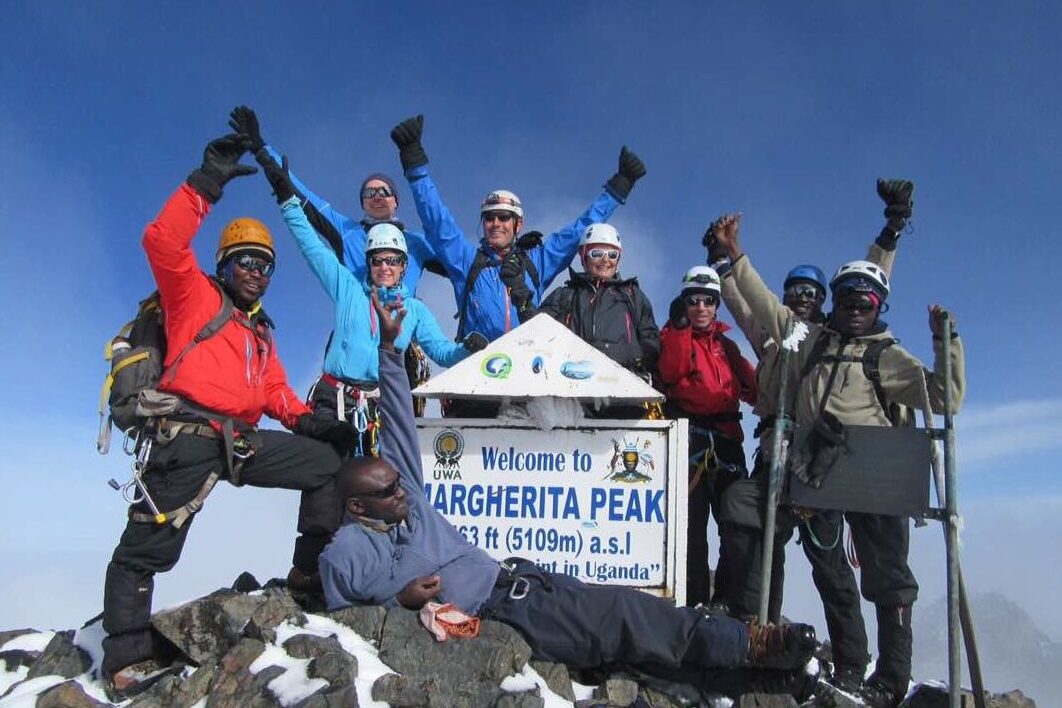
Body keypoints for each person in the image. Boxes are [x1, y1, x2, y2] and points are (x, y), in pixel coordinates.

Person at [317, 291, 819, 698]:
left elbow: (401, 422)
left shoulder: (409, 500)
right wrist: (398, 598)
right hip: (501, 616)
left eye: (398, 482)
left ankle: (761, 681)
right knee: (622, 617)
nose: (401, 492)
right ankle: (750, 644)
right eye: (386, 491)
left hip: (524, 578)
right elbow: (347, 624)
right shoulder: (349, 550)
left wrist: (389, 349)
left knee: (619, 640)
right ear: (357, 507)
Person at [101, 132, 350, 694]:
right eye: (245, 262)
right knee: (145, 549)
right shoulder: (194, 297)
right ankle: (123, 658)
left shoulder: (260, 333)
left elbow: (276, 395)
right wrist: (205, 181)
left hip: (240, 439)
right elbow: (162, 241)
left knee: (325, 463)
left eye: (264, 266)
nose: (256, 272)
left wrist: (311, 423)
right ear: (224, 264)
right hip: (184, 435)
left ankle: (306, 574)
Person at [713, 214, 965, 708]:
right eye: (846, 298)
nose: (854, 308)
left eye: (865, 300)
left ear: (879, 306)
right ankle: (851, 664)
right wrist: (733, 255)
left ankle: (891, 678)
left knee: (888, 578)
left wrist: (945, 343)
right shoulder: (809, 339)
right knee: (830, 569)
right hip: (818, 473)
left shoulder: (889, 356)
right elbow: (762, 303)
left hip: (878, 476)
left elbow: (943, 397)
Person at [244, 146, 486, 457]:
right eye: (377, 261)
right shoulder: (347, 288)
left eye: (392, 261)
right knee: (326, 483)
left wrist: (469, 348)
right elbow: (310, 244)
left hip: (382, 405)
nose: (384, 267)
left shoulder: (412, 310)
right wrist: (285, 198)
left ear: (403, 265)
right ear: (368, 263)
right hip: (333, 401)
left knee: (381, 488)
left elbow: (441, 351)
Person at [229, 106, 441, 293]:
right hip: (356, 330)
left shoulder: (417, 242)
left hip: (404, 332)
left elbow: (461, 262)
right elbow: (300, 192)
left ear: (396, 201)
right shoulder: (346, 231)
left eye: (384, 192)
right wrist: (261, 149)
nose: (377, 196)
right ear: (362, 204)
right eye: (369, 193)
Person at [656, 266, 757, 609]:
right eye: (693, 300)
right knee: (690, 526)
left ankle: (727, 600)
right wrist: (680, 330)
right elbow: (670, 370)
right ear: (684, 304)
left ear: (717, 306)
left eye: (708, 301)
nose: (701, 307)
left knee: (734, 523)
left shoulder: (726, 346)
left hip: (727, 439)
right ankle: (692, 600)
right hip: (690, 437)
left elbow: (753, 387)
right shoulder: (672, 335)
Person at [539, 223, 660, 418]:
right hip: (573, 392)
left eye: (612, 255)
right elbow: (538, 331)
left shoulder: (632, 296)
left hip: (623, 392)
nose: (605, 260)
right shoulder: (565, 295)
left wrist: (634, 361)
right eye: (597, 253)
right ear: (584, 255)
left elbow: (650, 340)